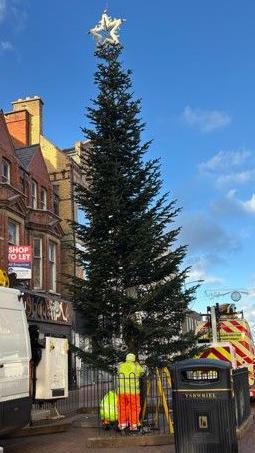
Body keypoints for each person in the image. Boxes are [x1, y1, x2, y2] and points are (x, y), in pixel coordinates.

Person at [117, 353, 144, 431]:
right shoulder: (136, 366)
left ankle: (122, 424)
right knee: (134, 408)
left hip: (121, 392)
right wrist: (138, 364)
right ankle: (133, 425)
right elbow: (142, 373)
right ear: (134, 359)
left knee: (122, 407)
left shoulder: (121, 366)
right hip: (133, 392)